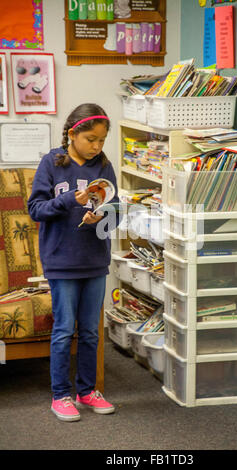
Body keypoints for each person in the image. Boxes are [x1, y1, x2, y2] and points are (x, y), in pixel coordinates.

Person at [28, 103, 119, 422]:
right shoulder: (51, 163)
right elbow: (36, 209)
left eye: (102, 141)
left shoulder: (104, 166)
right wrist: (70, 200)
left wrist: (101, 218)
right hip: (61, 261)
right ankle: (60, 395)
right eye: (91, 139)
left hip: (95, 261)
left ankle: (86, 390)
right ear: (72, 134)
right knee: (65, 329)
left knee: (92, 331)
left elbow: (116, 214)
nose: (96, 147)